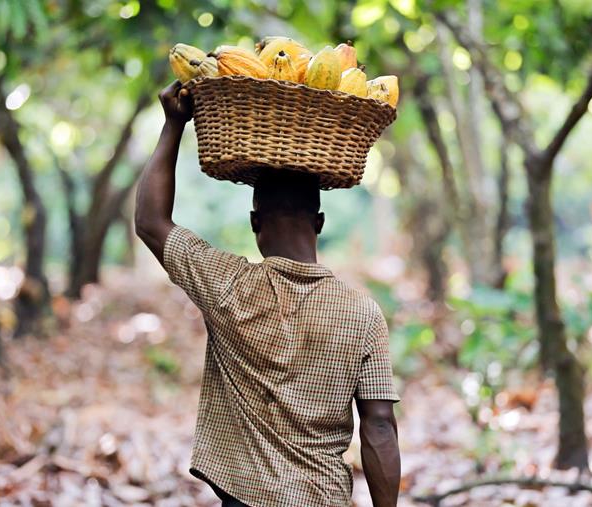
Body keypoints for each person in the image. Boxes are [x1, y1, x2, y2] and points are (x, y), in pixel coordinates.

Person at [135, 81, 400, 507]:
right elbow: (380, 426)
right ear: (320, 223)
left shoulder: (226, 285)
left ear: (255, 222)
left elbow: (150, 222)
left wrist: (173, 124)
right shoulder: (363, 314)